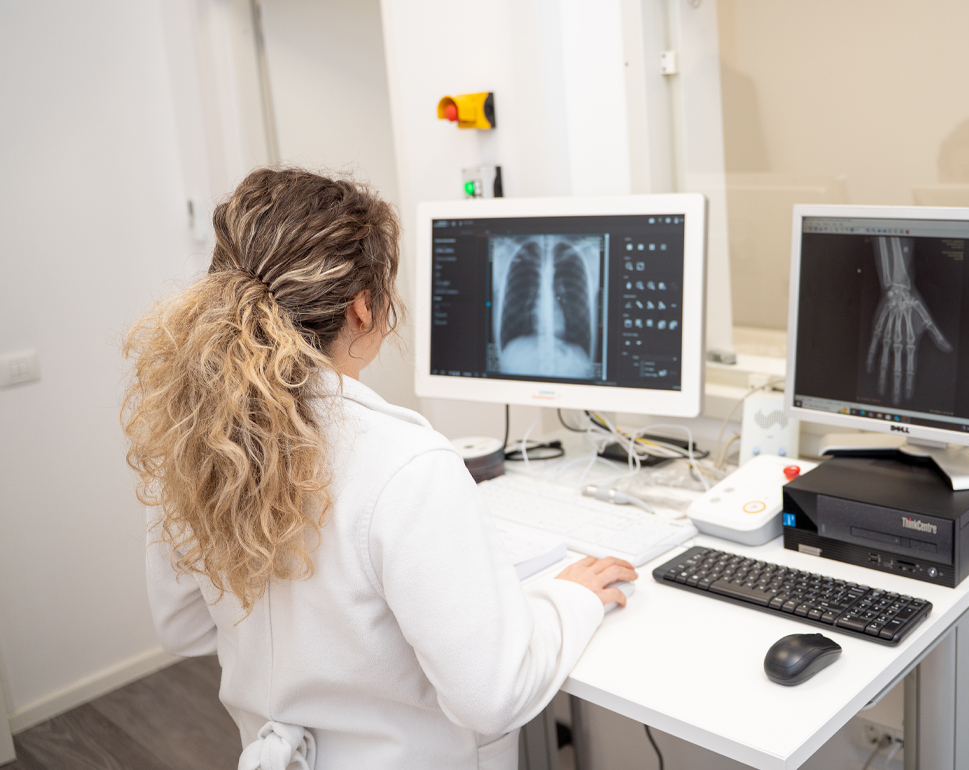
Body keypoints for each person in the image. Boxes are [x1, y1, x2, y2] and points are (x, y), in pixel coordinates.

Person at [121, 168, 636, 770]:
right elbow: (492, 698)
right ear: (364, 308)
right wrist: (568, 600)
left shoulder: (196, 437)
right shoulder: (408, 465)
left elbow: (183, 629)